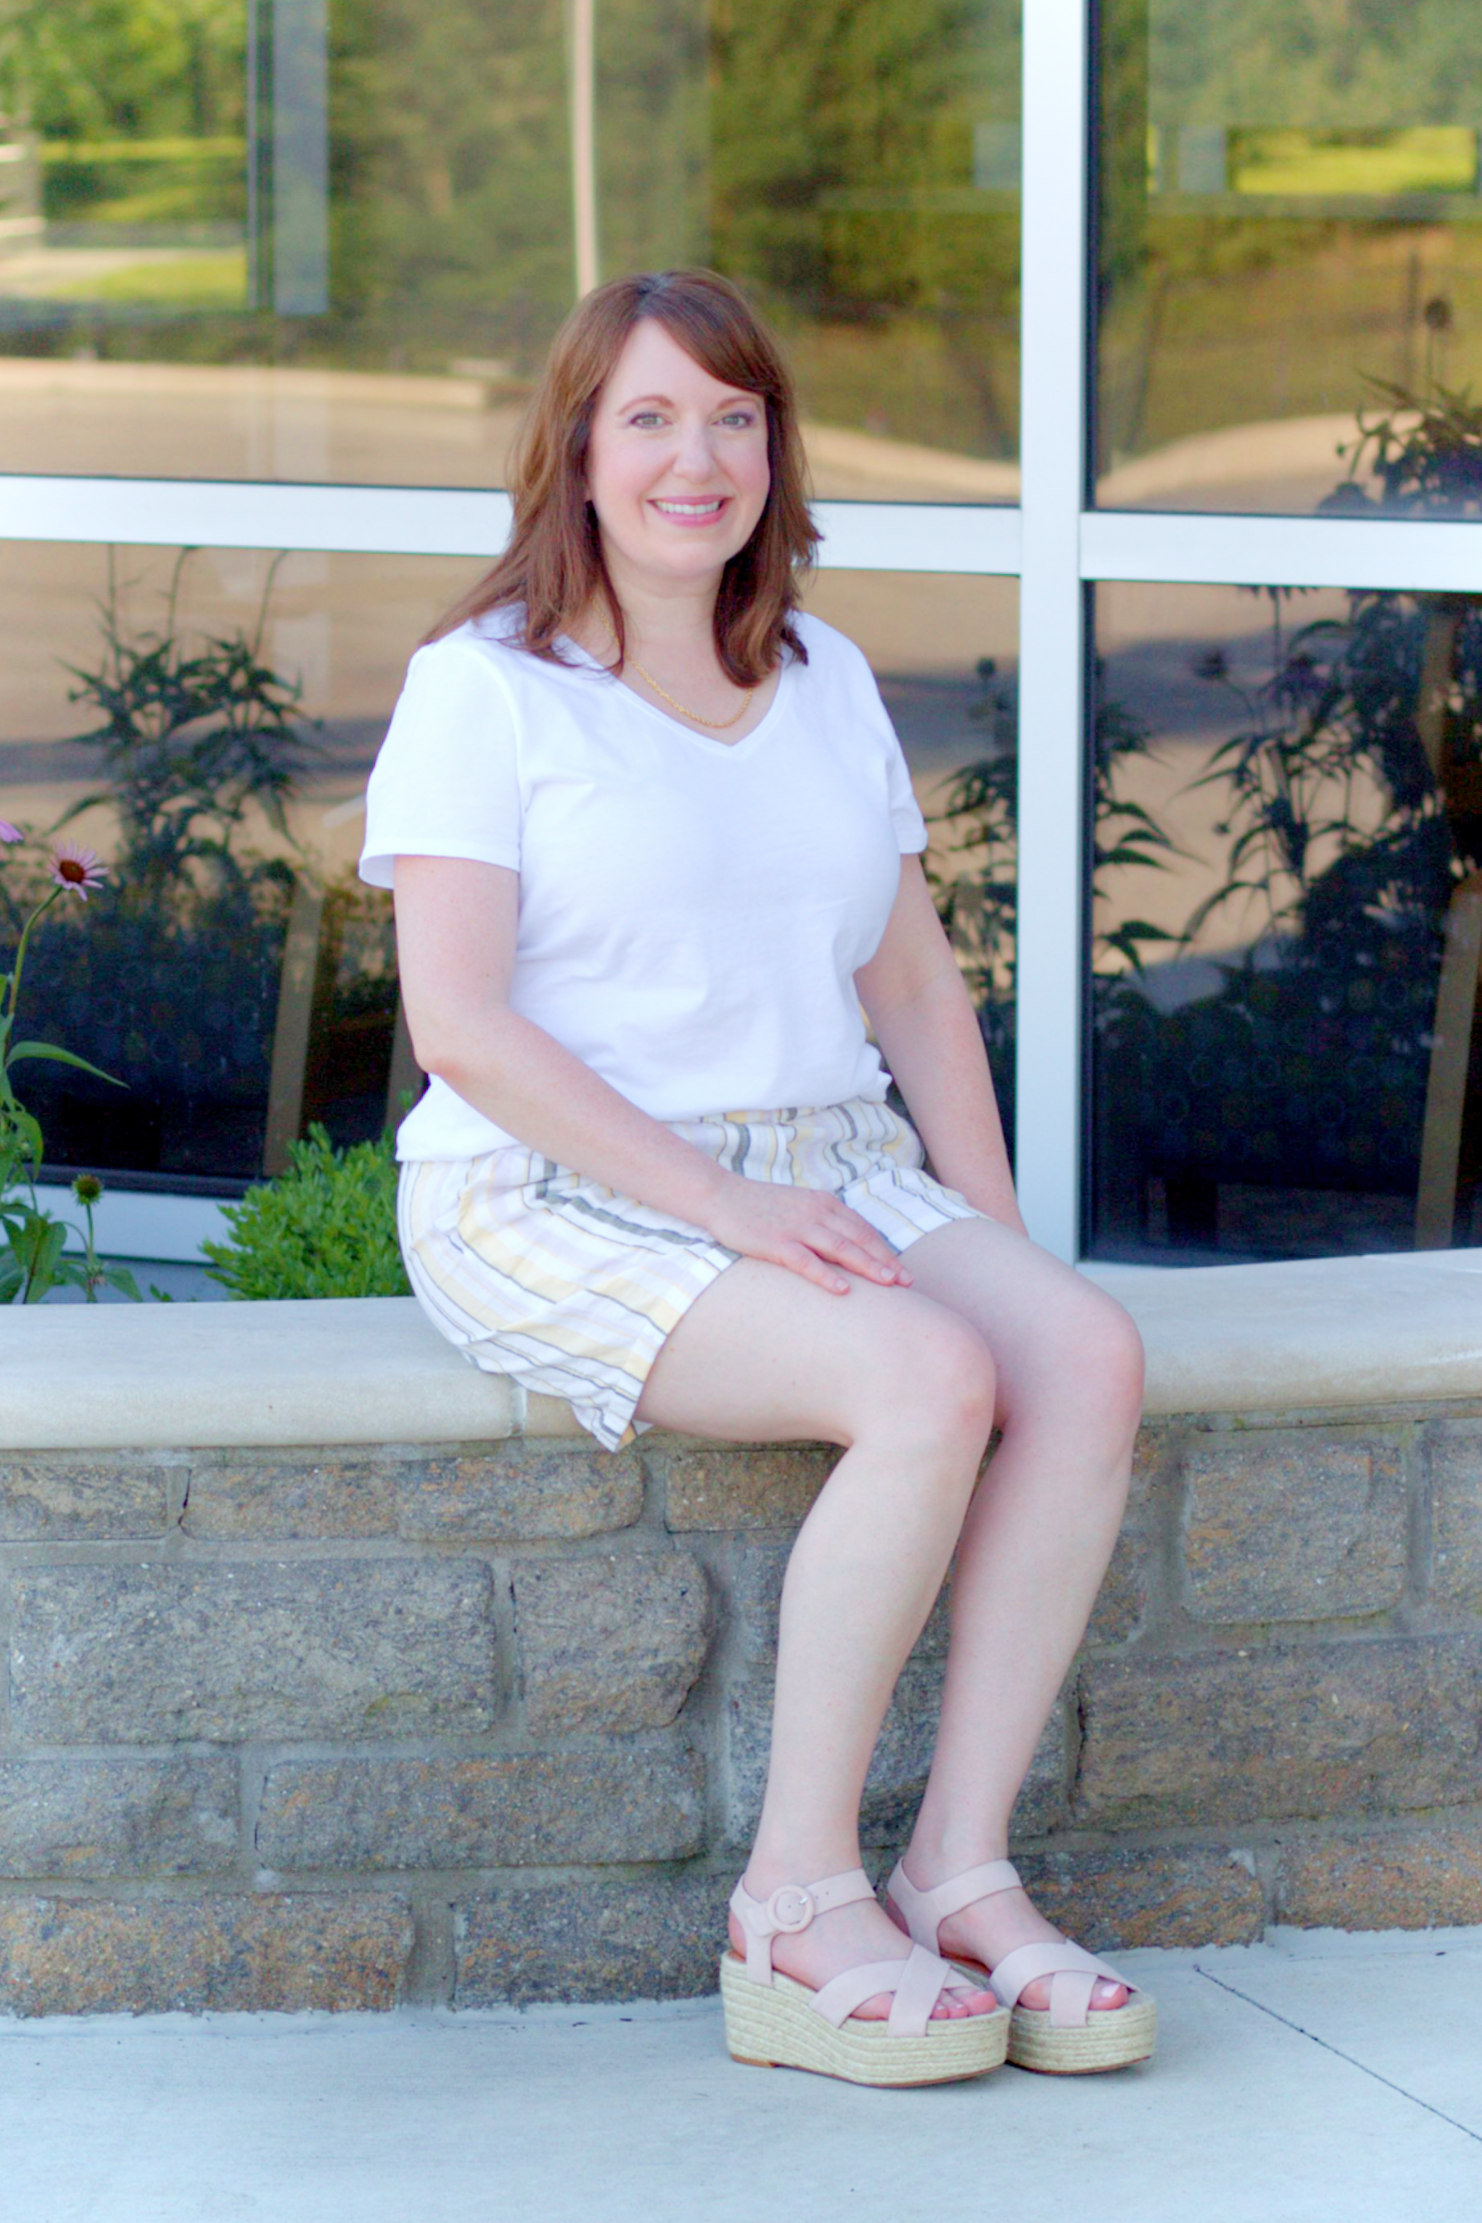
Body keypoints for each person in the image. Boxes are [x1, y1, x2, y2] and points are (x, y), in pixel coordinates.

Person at [360, 268, 1151, 2088]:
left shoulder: (819, 675)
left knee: (1076, 1356)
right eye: (646, 417)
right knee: (925, 1378)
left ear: (773, 447)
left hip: (829, 1162)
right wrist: (730, 1214)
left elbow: (911, 980)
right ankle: (793, 1906)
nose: (694, 457)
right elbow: (463, 1029)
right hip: (550, 1185)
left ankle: (956, 1872)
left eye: (732, 415)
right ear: (571, 450)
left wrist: (998, 1245)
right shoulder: (485, 694)